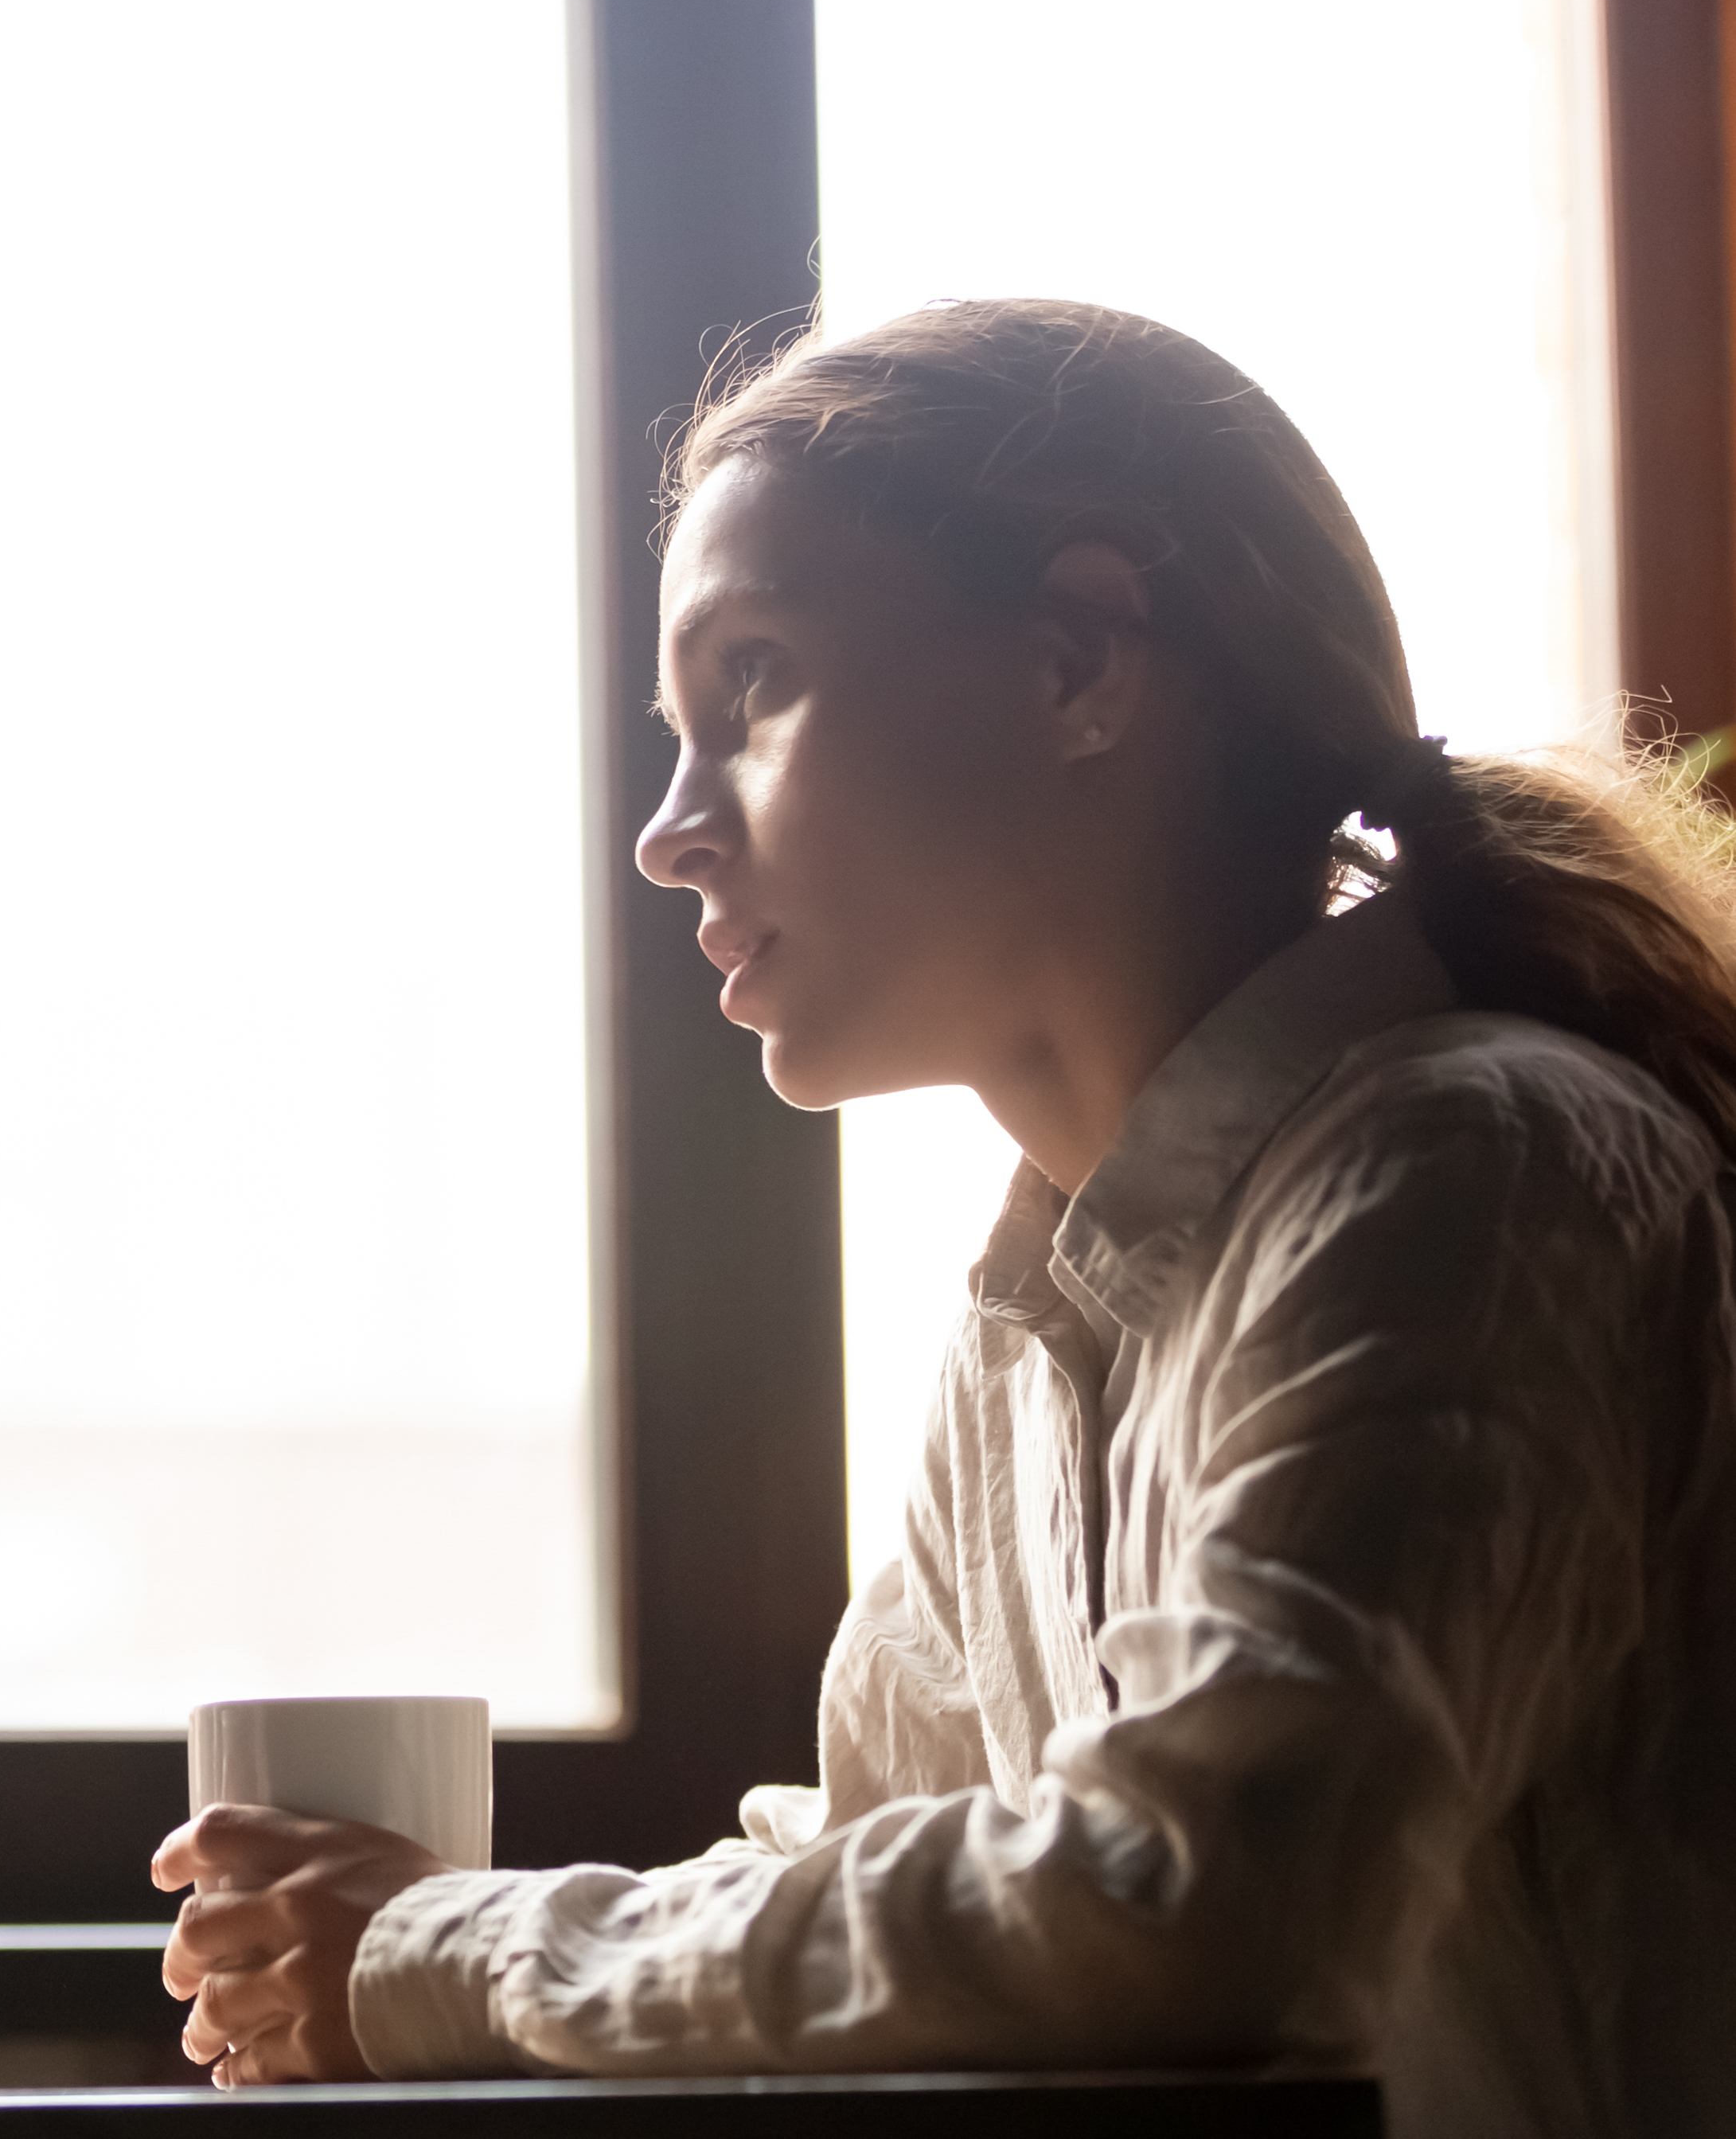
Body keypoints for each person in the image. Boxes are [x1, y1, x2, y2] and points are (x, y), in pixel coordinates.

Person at [152, 299, 1736, 2137]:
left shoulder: (1468, 1166)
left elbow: (1188, 1903)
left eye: (748, 679)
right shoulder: (1029, 1328)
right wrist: (390, 1943)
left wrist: (448, 1953)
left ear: (1074, 658)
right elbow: (889, 1873)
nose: (666, 830)